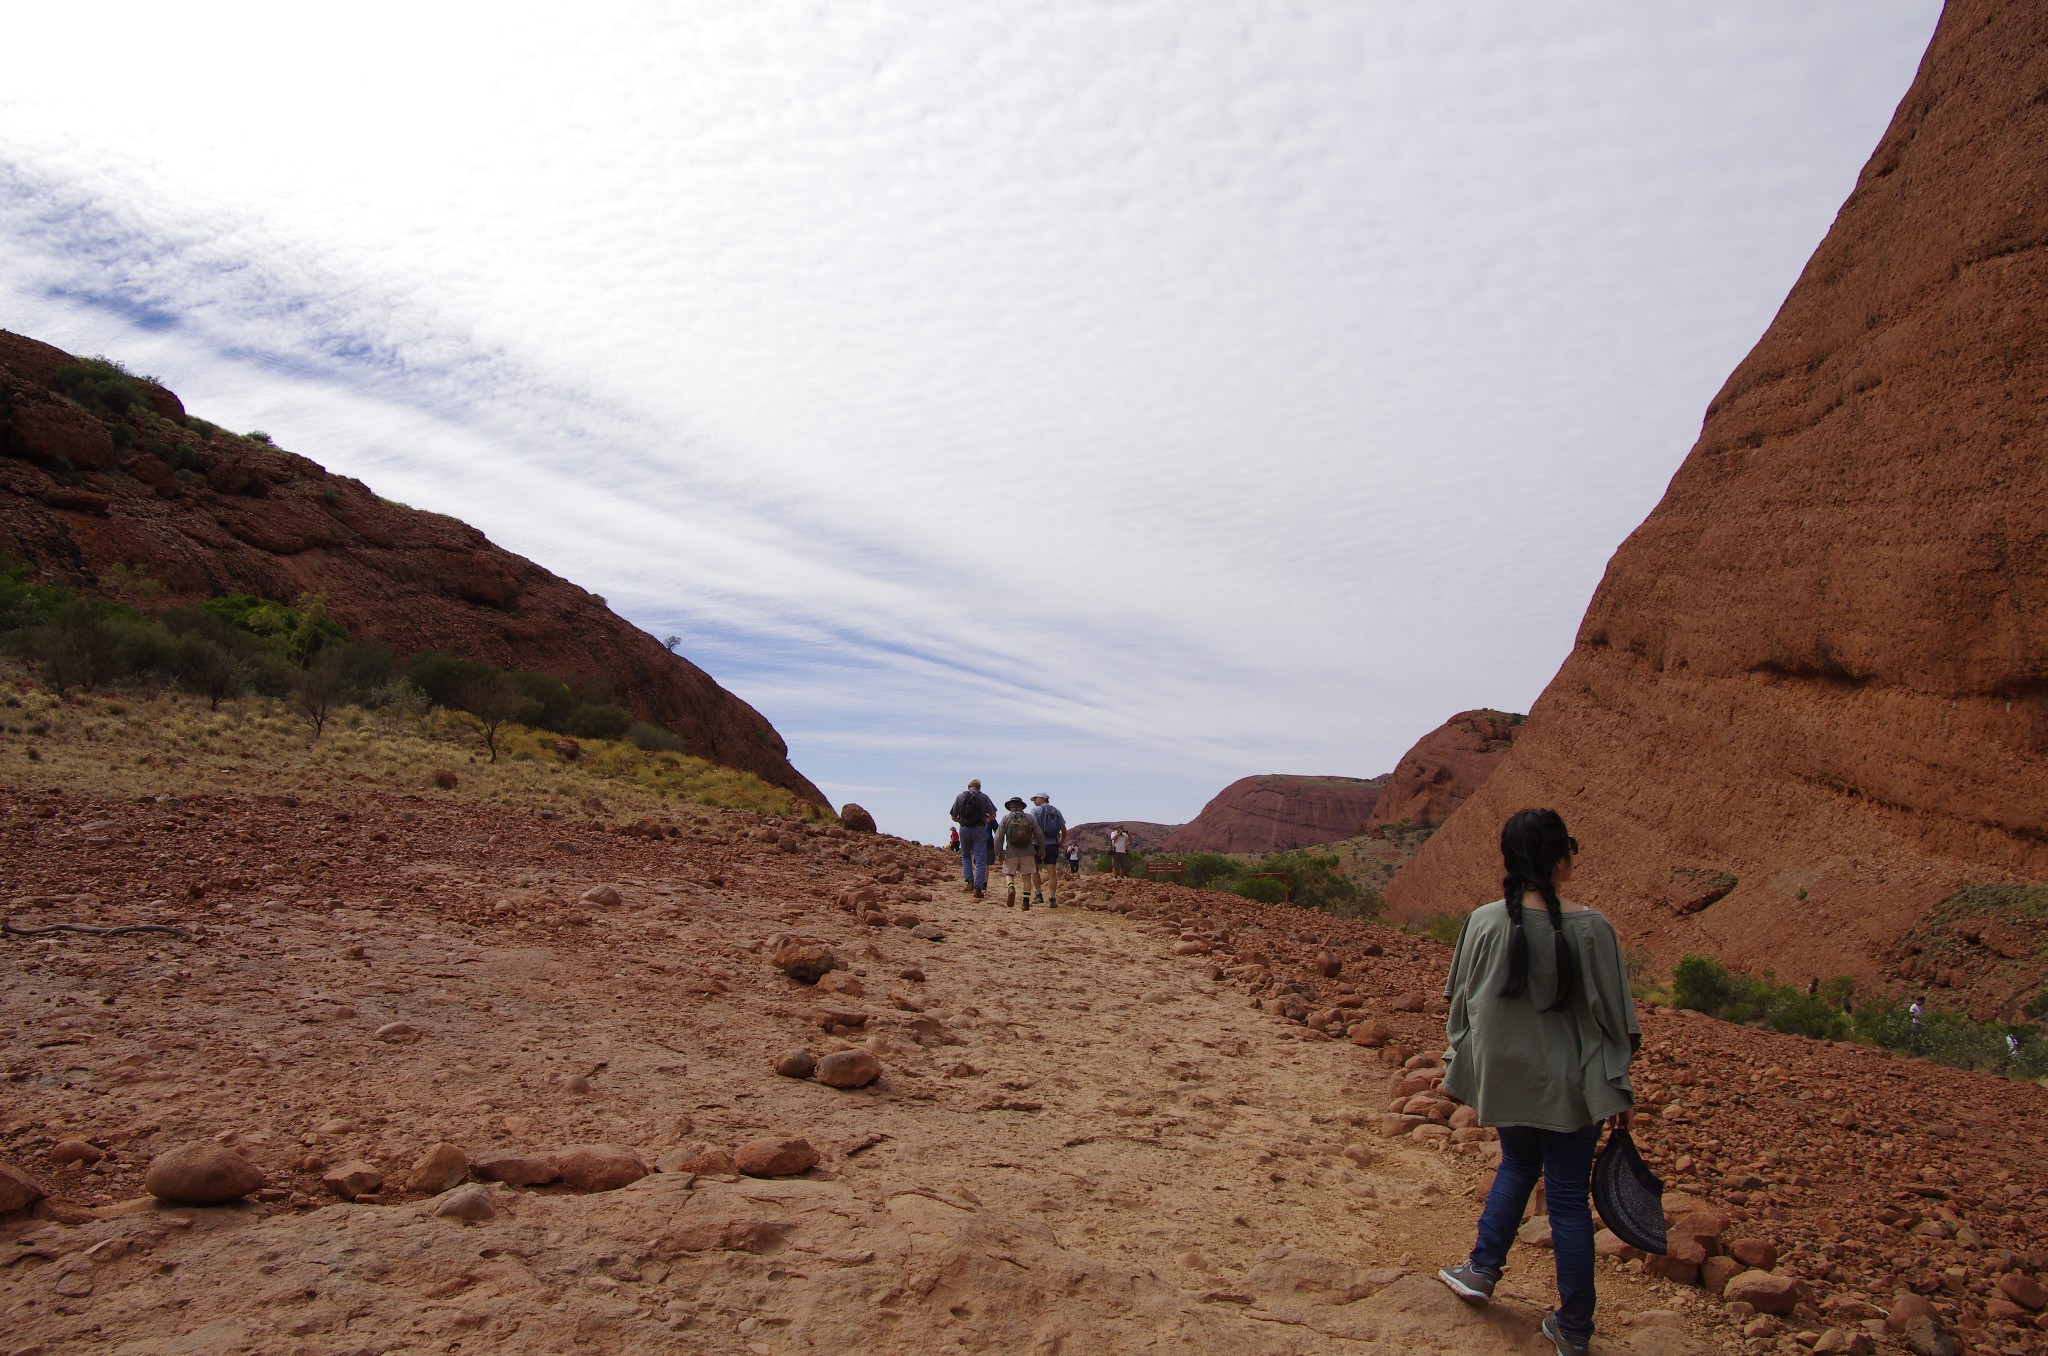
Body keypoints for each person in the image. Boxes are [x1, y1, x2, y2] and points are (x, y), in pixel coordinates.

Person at [1437, 808, 1639, 1356]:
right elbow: (1616, 1020)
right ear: (1557, 858)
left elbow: (1460, 1001)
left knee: (1518, 1164)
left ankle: (1481, 1271)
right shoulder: (1592, 928)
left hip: (1508, 1083)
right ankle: (1573, 1328)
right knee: (1569, 1198)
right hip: (1574, 1089)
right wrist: (1618, 1086)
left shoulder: (1483, 921)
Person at [949, 778, 997, 899]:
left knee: (965, 855)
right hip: (979, 829)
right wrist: (985, 821)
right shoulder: (984, 797)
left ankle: (969, 882)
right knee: (980, 858)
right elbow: (993, 815)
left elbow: (953, 816)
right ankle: (978, 888)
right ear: (979, 787)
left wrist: (961, 821)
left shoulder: (960, 797)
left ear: (968, 786)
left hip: (964, 829)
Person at [996, 796, 1047, 908]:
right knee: (1027, 877)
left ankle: (1011, 888)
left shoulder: (1005, 818)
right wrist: (1042, 849)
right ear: (1021, 806)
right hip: (1028, 852)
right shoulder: (1030, 818)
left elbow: (998, 837)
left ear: (1010, 807)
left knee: (1009, 874)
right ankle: (1025, 903)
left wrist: (999, 853)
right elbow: (1039, 833)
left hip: (1011, 852)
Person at [1026, 793, 1067, 908]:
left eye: (1036, 799)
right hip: (1052, 844)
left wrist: (1028, 843)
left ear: (1042, 799)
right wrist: (1060, 843)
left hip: (1037, 844)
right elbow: (1064, 830)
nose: (1034, 801)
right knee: (1052, 872)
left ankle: (1038, 895)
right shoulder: (1056, 811)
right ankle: (1052, 898)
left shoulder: (1035, 810)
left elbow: (1032, 829)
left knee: (1035, 870)